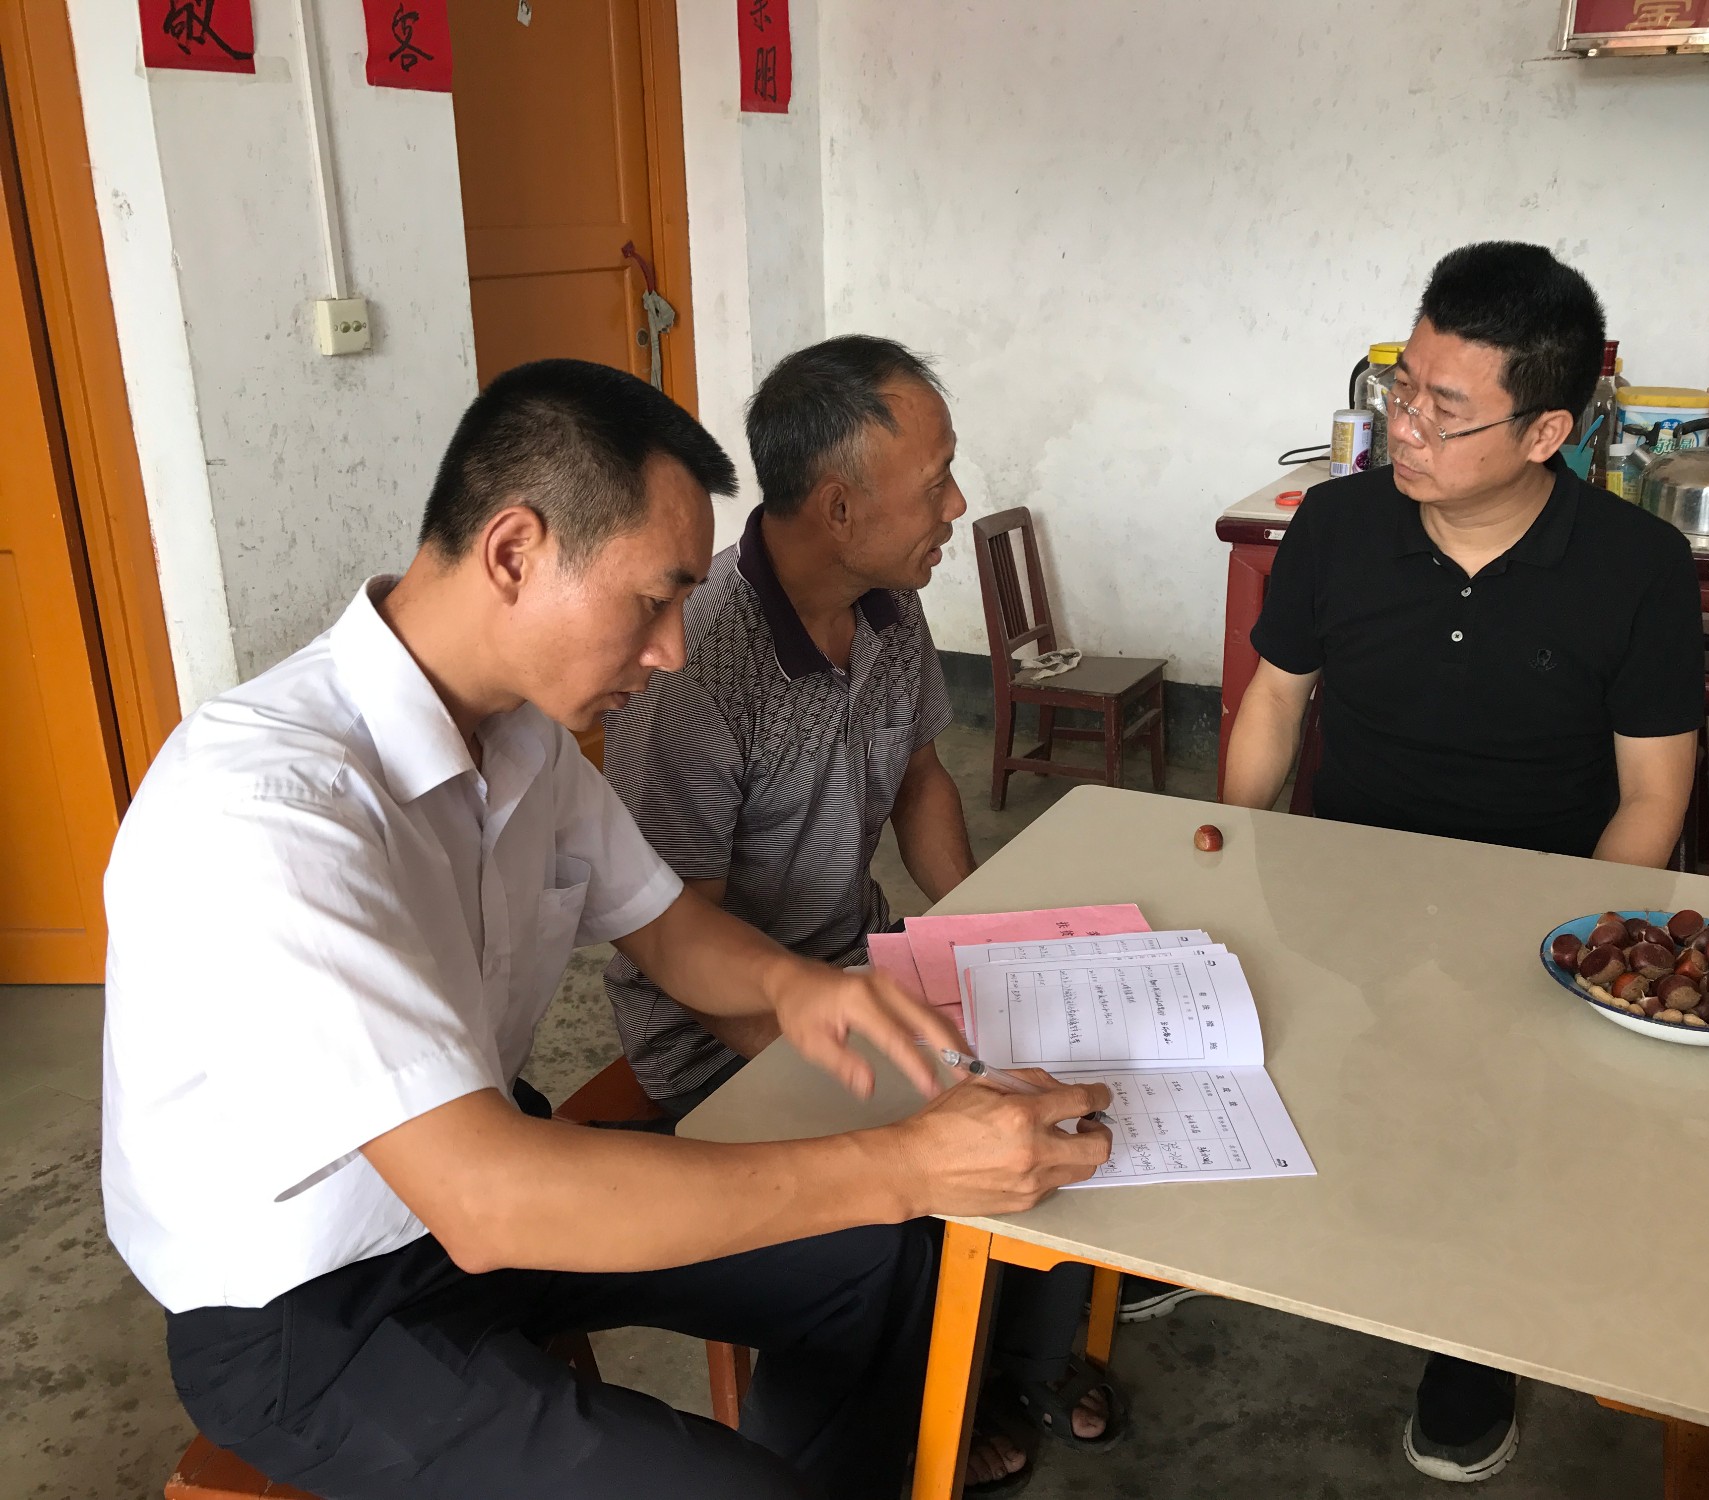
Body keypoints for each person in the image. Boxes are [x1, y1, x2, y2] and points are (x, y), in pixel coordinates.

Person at [99, 357, 1113, 1500]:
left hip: (478, 1202)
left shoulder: (522, 739)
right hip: (307, 1307)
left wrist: (800, 991)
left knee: (877, 1264)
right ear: (513, 553)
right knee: (856, 1268)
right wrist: (904, 1162)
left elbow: (670, 930)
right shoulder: (272, 813)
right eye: (653, 600)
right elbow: (490, 1201)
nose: (674, 647)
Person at [602, 335, 1121, 1492]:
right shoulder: (701, 669)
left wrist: (978, 928)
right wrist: (855, 1082)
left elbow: (921, 775)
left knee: (1062, 1067)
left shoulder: (887, 606)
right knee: (916, 1185)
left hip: (863, 964)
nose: (955, 506)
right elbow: (677, 941)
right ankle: (907, 1415)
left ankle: (1012, 1364)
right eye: (934, 481)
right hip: (716, 1029)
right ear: (839, 508)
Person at [1222, 242, 1704, 1482]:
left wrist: (1571, 956)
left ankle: (1469, 1336)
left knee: (1495, 1123)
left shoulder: (1634, 568)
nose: (1405, 428)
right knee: (1263, 1070)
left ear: (1545, 431)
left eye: (1444, 409)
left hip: (1532, 915)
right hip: (1342, 898)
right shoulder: (1337, 524)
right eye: (1401, 389)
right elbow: (1274, 701)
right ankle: (1225, 1250)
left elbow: (1650, 795)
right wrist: (1232, 854)